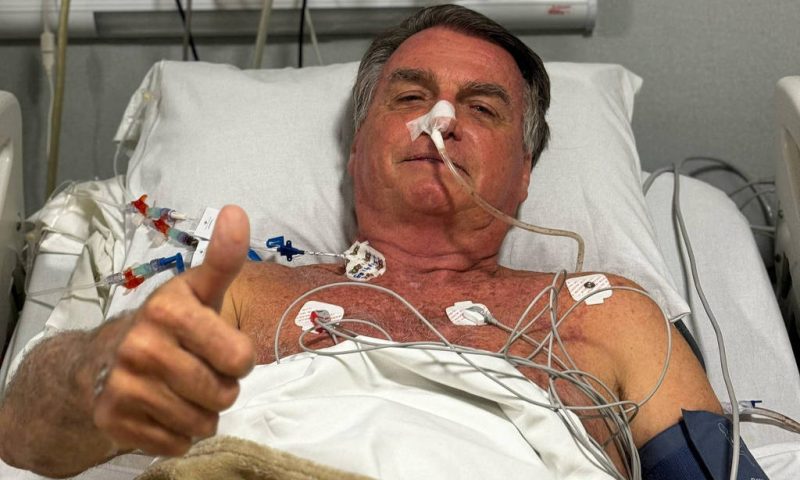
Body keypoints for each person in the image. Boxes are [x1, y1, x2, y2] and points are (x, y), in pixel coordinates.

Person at [0, 4, 757, 479]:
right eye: (411, 96)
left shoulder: (605, 315)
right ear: (359, 146)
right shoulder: (245, 295)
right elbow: (24, 441)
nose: (441, 121)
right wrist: (94, 365)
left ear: (526, 171)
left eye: (482, 108)